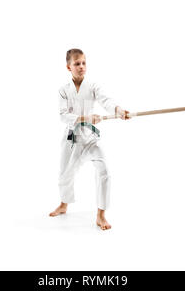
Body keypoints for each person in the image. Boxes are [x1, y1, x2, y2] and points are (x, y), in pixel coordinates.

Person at [49, 49, 130, 230]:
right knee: (65, 174)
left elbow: (106, 100)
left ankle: (101, 215)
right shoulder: (63, 91)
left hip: (90, 138)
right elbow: (63, 115)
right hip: (72, 140)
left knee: (104, 170)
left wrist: (118, 110)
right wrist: (85, 117)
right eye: (77, 64)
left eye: (84, 63)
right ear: (68, 67)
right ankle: (64, 204)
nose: (81, 67)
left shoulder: (93, 86)